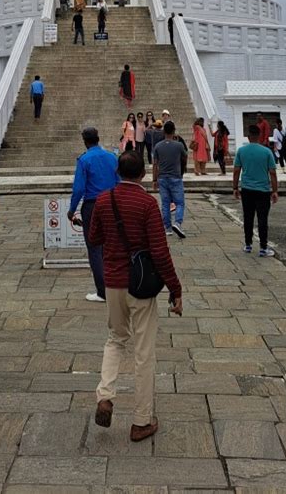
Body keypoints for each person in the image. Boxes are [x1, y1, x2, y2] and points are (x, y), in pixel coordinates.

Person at [89, 150, 182, 442]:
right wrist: (175, 289)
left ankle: (105, 394)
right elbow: (159, 251)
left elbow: (94, 239)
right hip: (141, 285)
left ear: (117, 172)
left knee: (115, 338)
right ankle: (141, 420)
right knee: (144, 352)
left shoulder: (104, 200)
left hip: (113, 283)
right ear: (142, 174)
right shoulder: (147, 203)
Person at [67, 128, 119, 302]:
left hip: (93, 205)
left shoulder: (84, 159)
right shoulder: (112, 157)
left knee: (95, 247)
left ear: (84, 140)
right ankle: (115, 285)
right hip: (111, 203)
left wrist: (72, 209)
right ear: (98, 139)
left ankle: (102, 291)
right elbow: (119, 181)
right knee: (111, 244)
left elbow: (79, 188)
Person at [233, 124, 278, 257]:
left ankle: (248, 245)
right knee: (262, 219)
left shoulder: (241, 151)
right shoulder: (267, 152)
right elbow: (273, 173)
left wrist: (235, 187)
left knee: (248, 217)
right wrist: (274, 191)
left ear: (248, 136)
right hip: (263, 190)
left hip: (247, 189)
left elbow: (236, 171)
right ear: (259, 136)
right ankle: (263, 248)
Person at [152, 120, 187, 239]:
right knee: (180, 203)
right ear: (173, 131)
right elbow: (184, 157)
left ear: (163, 131)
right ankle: (177, 223)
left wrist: (154, 180)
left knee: (165, 203)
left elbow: (155, 164)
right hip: (176, 177)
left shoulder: (158, 146)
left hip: (162, 177)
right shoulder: (179, 145)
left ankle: (167, 228)